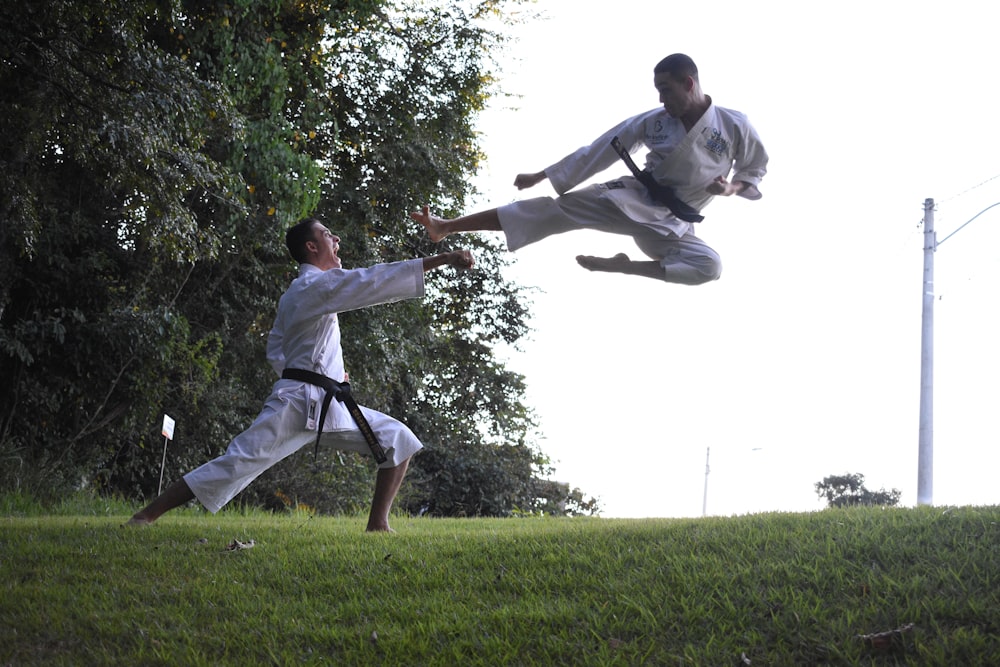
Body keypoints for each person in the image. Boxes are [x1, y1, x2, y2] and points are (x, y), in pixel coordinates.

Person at [127, 218, 475, 532]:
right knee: (236, 462)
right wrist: (442, 259)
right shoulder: (315, 286)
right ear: (312, 247)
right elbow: (372, 280)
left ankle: (378, 525)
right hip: (294, 406)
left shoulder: (303, 293)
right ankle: (146, 515)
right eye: (327, 235)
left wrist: (326, 374)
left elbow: (278, 347)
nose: (336, 238)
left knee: (397, 440)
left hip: (329, 405)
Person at [411, 53, 768, 285]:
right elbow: (602, 147)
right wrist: (544, 175)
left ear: (688, 84)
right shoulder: (654, 121)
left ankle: (622, 266)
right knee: (548, 213)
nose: (661, 99)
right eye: (658, 91)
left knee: (710, 266)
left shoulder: (734, 125)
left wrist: (730, 189)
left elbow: (754, 172)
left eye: (666, 90)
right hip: (630, 198)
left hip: (672, 224)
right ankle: (446, 227)